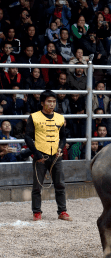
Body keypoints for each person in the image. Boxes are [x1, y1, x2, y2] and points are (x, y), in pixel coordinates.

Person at [23, 90, 71, 221]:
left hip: (56, 156)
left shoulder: (60, 118)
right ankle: (36, 212)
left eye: (54, 101)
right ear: (42, 103)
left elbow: (63, 138)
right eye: (49, 101)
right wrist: (36, 153)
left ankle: (62, 211)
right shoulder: (34, 117)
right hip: (40, 156)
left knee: (60, 184)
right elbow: (27, 136)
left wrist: (60, 148)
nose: (52, 104)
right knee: (37, 186)